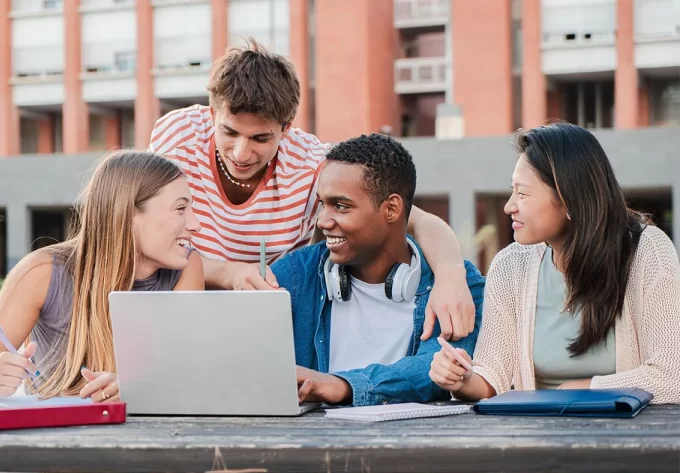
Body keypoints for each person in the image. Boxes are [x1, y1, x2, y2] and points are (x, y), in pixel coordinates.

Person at [149, 38, 475, 341]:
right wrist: (227, 273)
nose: (241, 153)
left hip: (264, 324)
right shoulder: (177, 136)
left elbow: (418, 220)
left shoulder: (311, 163)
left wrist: (451, 277)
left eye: (261, 138)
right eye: (230, 133)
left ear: (286, 128)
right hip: (172, 311)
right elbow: (144, 237)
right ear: (212, 114)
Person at [429, 122, 680, 404]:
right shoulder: (510, 266)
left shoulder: (647, 251)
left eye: (523, 194)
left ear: (570, 200)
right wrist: (462, 378)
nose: (509, 206)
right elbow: (493, 376)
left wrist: (582, 390)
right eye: (512, 191)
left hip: (627, 430)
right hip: (540, 429)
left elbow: (672, 376)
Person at [0, 150, 204, 404]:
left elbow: (186, 370)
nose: (195, 224)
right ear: (128, 213)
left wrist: (138, 387)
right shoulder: (41, 272)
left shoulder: (187, 267)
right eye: (180, 209)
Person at [269, 134, 485, 406]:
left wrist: (343, 385)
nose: (322, 221)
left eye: (341, 206)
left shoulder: (457, 286)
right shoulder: (297, 274)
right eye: (323, 204)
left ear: (392, 209)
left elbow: (434, 370)